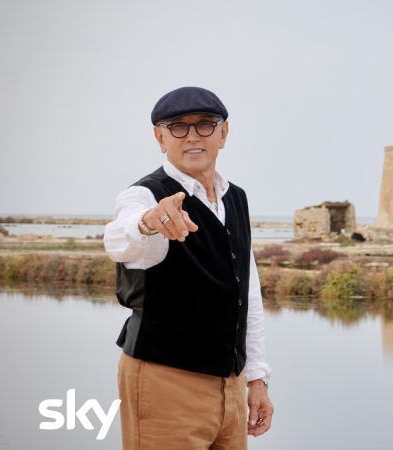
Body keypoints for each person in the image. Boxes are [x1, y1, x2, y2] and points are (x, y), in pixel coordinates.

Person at [104, 86, 273, 450]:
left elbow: (247, 295)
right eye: (178, 126)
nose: (192, 136)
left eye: (205, 125)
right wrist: (148, 222)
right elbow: (117, 241)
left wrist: (256, 378)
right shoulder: (145, 196)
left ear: (223, 133)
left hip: (231, 385)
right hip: (165, 382)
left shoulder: (236, 198)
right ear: (160, 137)